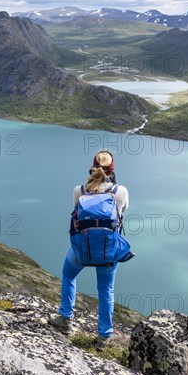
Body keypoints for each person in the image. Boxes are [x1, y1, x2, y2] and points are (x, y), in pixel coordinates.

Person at [49, 150, 129, 351]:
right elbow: (122, 212)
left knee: (68, 275)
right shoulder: (120, 191)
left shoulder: (80, 190)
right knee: (106, 290)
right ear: (112, 169)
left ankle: (65, 319)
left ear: (93, 166)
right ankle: (103, 338)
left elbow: (77, 216)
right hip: (107, 252)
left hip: (81, 251)